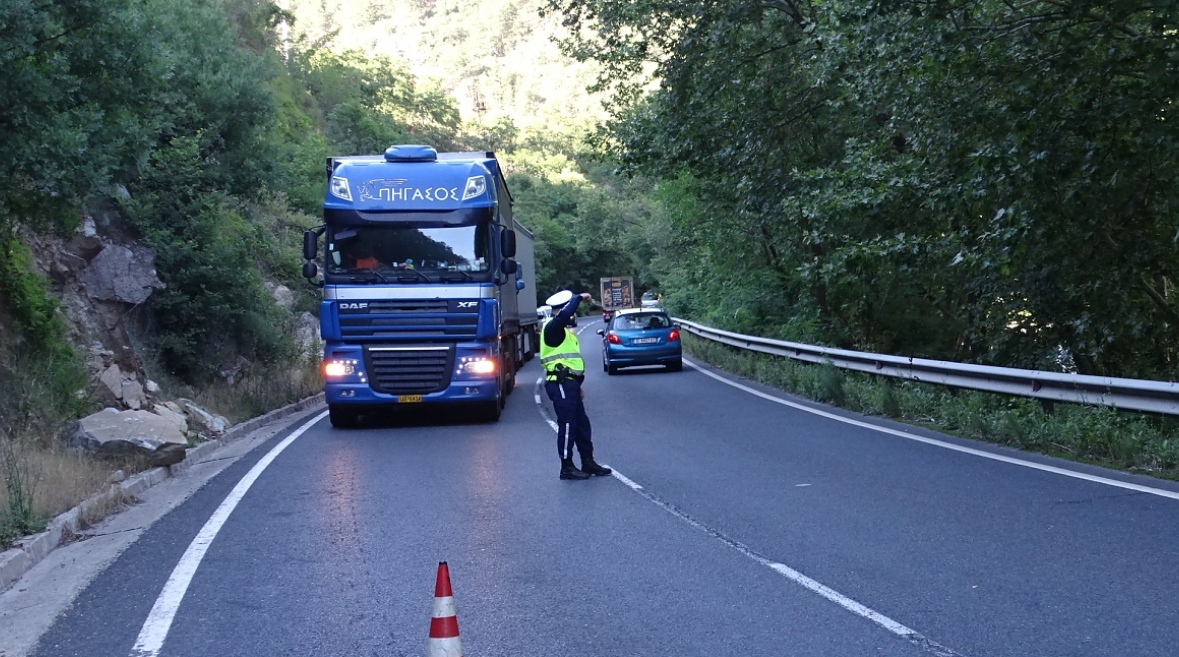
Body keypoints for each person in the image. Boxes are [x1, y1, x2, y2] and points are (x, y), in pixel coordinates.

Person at [540, 289, 612, 480]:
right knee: (568, 424)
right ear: (564, 309)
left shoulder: (564, 333)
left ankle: (588, 462)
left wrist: (577, 384)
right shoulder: (552, 327)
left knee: (581, 424)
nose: (573, 315)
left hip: (569, 383)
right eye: (571, 310)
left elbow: (570, 361)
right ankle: (567, 466)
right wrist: (579, 297)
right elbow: (564, 314)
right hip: (560, 383)